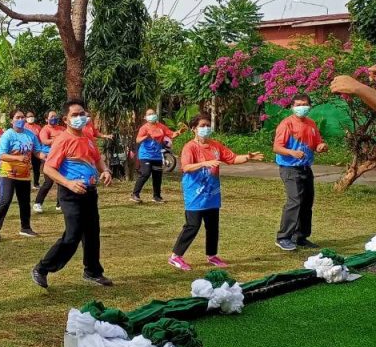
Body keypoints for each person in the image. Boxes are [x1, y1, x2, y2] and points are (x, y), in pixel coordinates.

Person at [31, 100, 114, 289]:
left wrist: (105, 171)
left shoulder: (88, 137)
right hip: (70, 194)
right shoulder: (62, 140)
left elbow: (97, 159)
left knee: (92, 233)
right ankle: (42, 269)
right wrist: (69, 183)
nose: (79, 118)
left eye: (82, 114)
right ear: (65, 119)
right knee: (72, 235)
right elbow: (49, 169)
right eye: (74, 115)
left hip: (89, 192)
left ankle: (93, 271)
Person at [168, 115, 263, 270]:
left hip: (212, 193)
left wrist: (248, 157)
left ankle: (212, 255)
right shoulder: (189, 147)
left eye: (208, 125)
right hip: (195, 193)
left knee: (212, 226)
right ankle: (175, 256)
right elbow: (186, 167)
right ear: (194, 129)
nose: (206, 128)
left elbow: (232, 159)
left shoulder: (215, 146)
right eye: (202, 125)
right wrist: (205, 163)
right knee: (193, 225)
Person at [273, 95, 328, 251]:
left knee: (306, 202)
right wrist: (292, 152)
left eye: (304, 104)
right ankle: (283, 237)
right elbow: (277, 147)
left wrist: (321, 146)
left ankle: (300, 237)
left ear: (310, 106)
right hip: (290, 168)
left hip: (305, 168)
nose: (301, 107)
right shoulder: (286, 124)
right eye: (298, 104)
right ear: (292, 107)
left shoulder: (311, 124)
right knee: (295, 200)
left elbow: (316, 143)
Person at [0, 110, 40, 240]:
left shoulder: (30, 135)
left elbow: (37, 152)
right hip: (8, 173)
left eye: (22, 117)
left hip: (24, 174)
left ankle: (25, 228)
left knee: (25, 201)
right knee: (5, 200)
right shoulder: (7, 135)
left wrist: (48, 157)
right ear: (12, 120)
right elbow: (2, 155)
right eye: (18, 117)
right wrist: (18, 158)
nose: (21, 119)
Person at [131, 109, 179, 204]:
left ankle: (157, 197)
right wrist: (146, 136)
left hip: (157, 155)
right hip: (145, 155)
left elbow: (171, 135)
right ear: (145, 117)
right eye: (149, 114)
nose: (152, 115)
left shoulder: (161, 126)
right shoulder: (144, 128)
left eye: (153, 113)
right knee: (146, 173)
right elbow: (138, 140)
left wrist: (179, 132)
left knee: (157, 176)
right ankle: (135, 194)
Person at [34, 111, 66, 213]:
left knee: (61, 182)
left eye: (55, 116)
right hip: (48, 158)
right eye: (51, 116)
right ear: (46, 119)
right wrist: (59, 139)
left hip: (61, 158)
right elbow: (45, 141)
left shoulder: (62, 129)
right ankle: (37, 203)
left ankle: (59, 204)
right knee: (48, 182)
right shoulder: (45, 130)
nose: (54, 118)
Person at [24, 111, 43, 189]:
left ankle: (36, 184)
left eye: (32, 116)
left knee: (36, 168)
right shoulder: (23, 126)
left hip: (36, 150)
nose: (30, 118)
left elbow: (41, 139)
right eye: (28, 116)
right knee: (25, 167)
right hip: (26, 150)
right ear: (26, 118)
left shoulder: (38, 127)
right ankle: (24, 183)